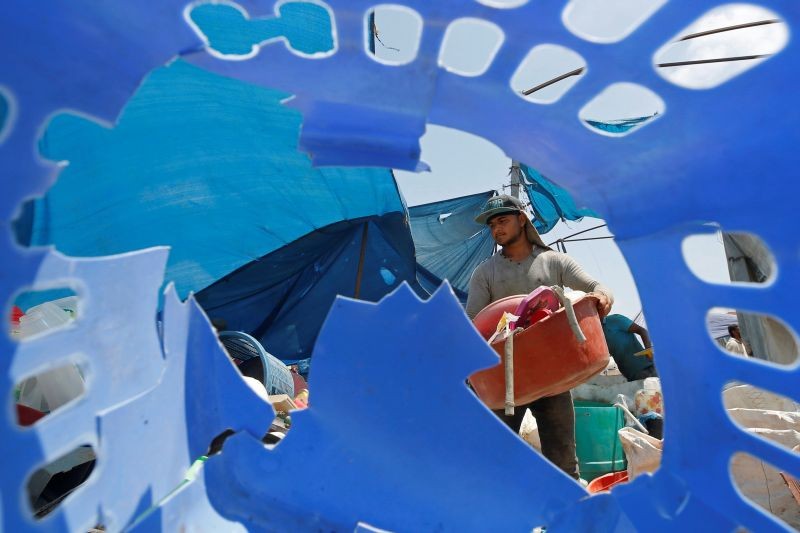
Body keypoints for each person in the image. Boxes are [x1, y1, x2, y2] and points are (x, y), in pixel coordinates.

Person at [466, 194, 613, 480]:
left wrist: (601, 296)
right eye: (492, 224)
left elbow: (596, 287)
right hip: (507, 379)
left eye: (503, 221)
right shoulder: (485, 273)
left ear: (522, 219)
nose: (497, 229)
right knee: (495, 459)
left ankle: (569, 520)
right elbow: (473, 325)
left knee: (563, 462)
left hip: (552, 376)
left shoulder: (553, 262)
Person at [602, 314, 657, 381]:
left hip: (646, 369)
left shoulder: (615, 320)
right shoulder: (597, 336)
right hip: (630, 376)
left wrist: (649, 353)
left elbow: (642, 331)